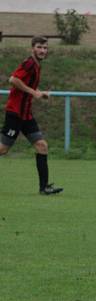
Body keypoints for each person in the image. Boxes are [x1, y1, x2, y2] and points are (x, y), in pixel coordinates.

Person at [0, 36, 61, 195]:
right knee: (2, 149)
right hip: (15, 113)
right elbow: (13, 79)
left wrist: (40, 93)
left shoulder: (36, 66)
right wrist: (34, 92)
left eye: (45, 48)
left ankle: (44, 187)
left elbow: (26, 86)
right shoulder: (29, 63)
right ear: (32, 48)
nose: (42, 51)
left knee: (42, 146)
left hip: (26, 115)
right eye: (39, 47)